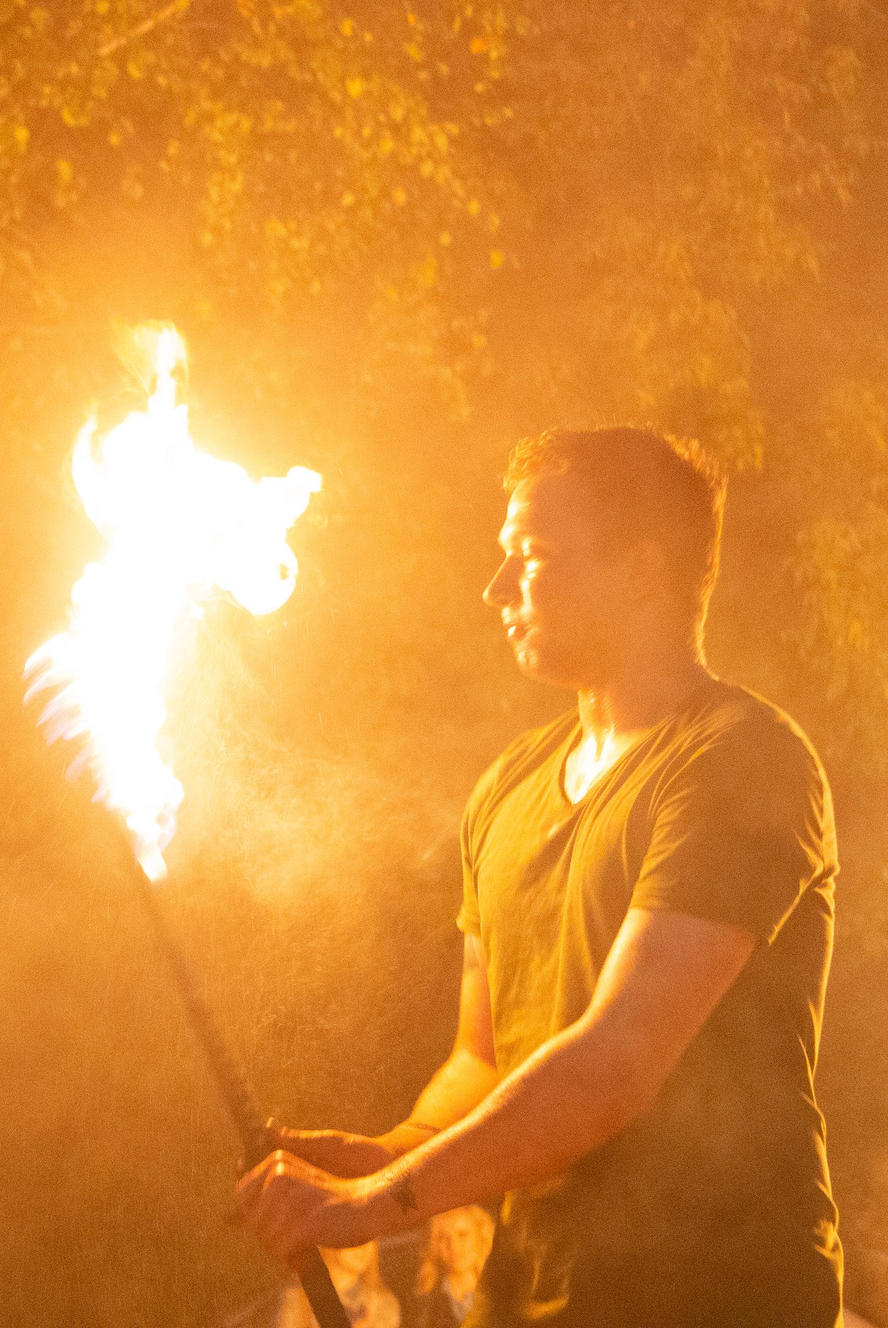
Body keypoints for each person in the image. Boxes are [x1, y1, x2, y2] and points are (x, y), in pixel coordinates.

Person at [234, 427, 844, 1328]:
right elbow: (482, 1059)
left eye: (533, 557)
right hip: (535, 1299)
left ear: (640, 569)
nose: (497, 588)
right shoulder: (508, 787)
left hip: (716, 1298)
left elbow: (614, 1063)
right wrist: (385, 1155)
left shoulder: (739, 760)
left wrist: (379, 1202)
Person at [406, 1207, 495, 1328]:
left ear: (481, 1237)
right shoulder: (423, 1305)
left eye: (462, 1235)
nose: (454, 1246)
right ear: (434, 1246)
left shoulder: (501, 1295)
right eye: (442, 1237)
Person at [278, 1240, 399, 1328]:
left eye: (368, 1237)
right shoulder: (297, 1304)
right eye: (353, 1237)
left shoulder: (382, 1308)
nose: (363, 1246)